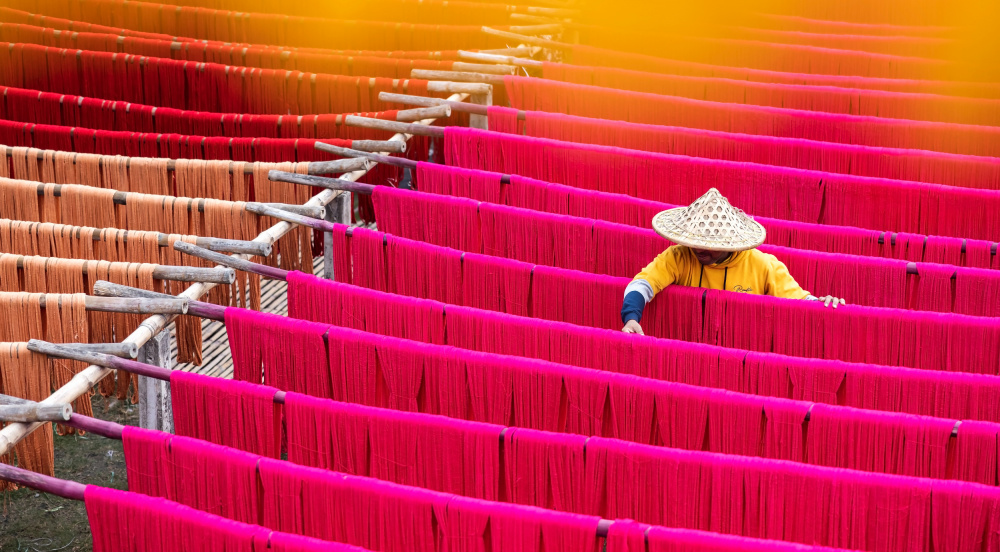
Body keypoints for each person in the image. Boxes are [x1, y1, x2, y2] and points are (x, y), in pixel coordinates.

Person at [621, 188, 845, 335]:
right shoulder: (679, 256)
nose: (698, 248)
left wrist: (821, 303)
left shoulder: (763, 266)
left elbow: (799, 299)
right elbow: (643, 284)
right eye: (694, 240)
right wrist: (631, 318)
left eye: (708, 243)